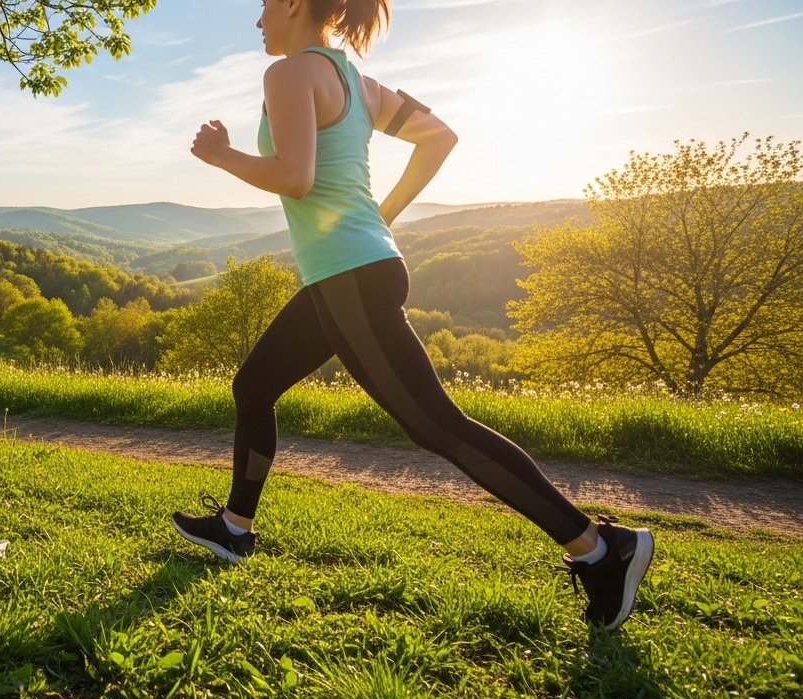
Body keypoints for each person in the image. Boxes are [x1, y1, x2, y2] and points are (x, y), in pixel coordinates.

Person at [170, 0, 654, 631]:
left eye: (263, 6)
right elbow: (439, 136)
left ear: (293, 4)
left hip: (348, 275)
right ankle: (235, 528)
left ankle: (597, 548)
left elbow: (294, 176)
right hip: (351, 269)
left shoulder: (289, 75)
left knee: (438, 427)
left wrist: (220, 156)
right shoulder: (357, 82)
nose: (258, 20)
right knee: (255, 384)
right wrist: (384, 214)